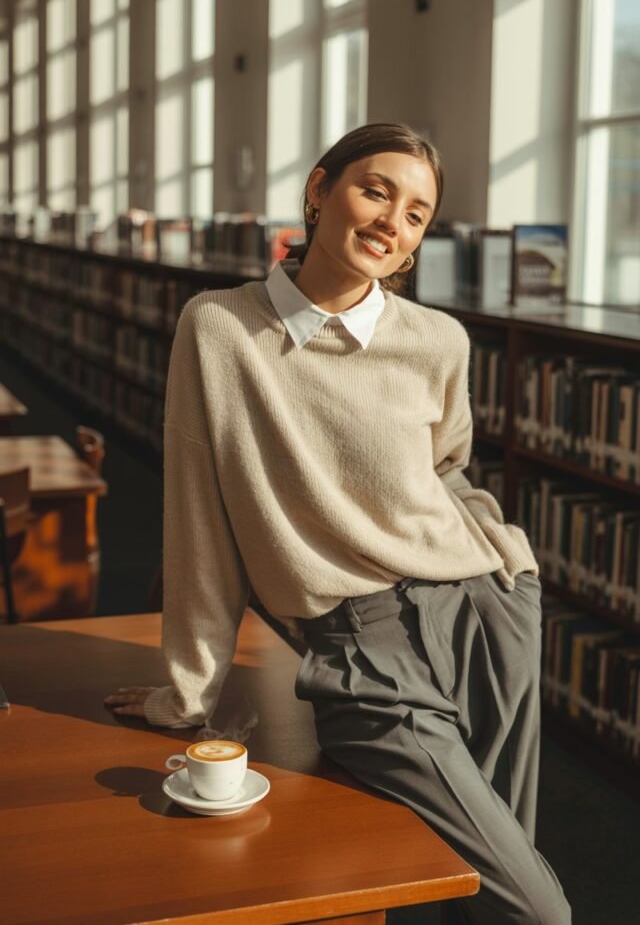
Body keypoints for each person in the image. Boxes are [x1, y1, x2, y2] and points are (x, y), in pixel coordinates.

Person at [105, 123, 572, 925]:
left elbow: (447, 469)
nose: (394, 220)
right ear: (320, 191)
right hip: (363, 645)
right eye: (376, 190)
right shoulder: (219, 329)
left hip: (489, 616)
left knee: (481, 881)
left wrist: (509, 562)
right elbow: (198, 522)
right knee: (534, 907)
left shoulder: (439, 340)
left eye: (418, 214)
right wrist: (186, 694)